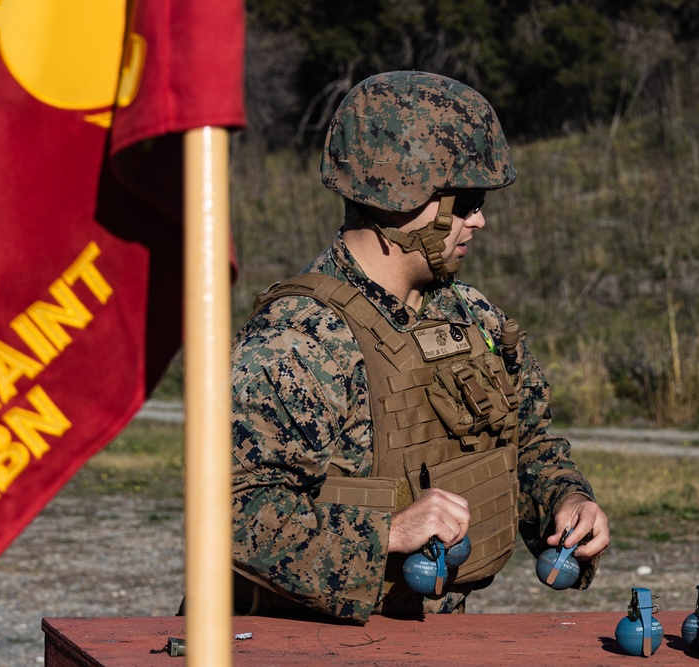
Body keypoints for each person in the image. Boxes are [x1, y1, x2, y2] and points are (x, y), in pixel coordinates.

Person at [230, 70, 610, 623]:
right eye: (467, 200)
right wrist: (388, 533)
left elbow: (528, 444)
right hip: (290, 643)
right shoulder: (298, 340)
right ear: (398, 194)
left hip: (427, 640)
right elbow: (231, 512)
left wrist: (566, 501)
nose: (479, 219)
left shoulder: (472, 317)